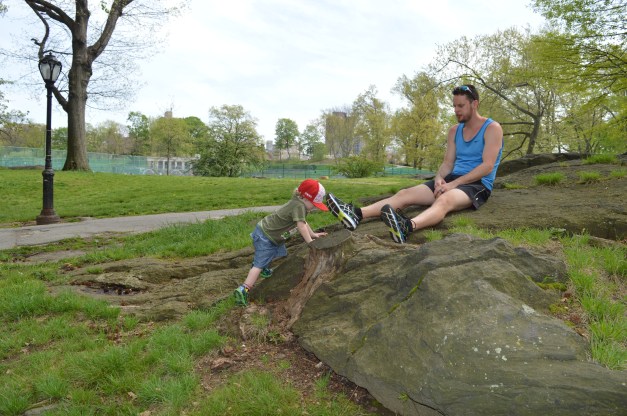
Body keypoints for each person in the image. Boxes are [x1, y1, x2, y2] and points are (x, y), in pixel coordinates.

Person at [326, 84, 504, 244]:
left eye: (461, 106)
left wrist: (453, 184)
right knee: (405, 194)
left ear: (474, 104)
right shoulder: (454, 131)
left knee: (444, 200)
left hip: (477, 184)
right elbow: (448, 163)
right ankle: (356, 214)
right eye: (454, 106)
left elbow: (487, 166)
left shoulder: (492, 128)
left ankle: (407, 227)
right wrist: (439, 178)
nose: (456, 110)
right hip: (452, 180)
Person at [234, 179, 329, 306]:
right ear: (306, 198)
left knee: (274, 253)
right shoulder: (299, 206)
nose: (315, 207)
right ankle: (244, 289)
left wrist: (313, 234)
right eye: (314, 204)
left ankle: (264, 267)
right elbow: (301, 226)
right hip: (266, 236)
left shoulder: (299, 202)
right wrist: (310, 242)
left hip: (270, 234)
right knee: (258, 264)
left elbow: (303, 222)